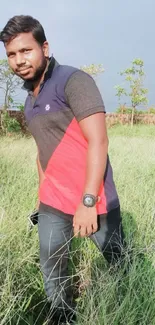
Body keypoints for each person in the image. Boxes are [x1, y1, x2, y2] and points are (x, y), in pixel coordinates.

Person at [0, 15, 125, 325]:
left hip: (94, 201)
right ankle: (63, 317)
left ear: (44, 47)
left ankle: (125, 309)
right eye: (12, 54)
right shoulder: (30, 99)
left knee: (120, 264)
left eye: (26, 50)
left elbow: (99, 141)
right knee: (52, 269)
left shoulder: (74, 81)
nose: (19, 60)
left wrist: (87, 203)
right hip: (53, 203)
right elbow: (43, 152)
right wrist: (41, 197)